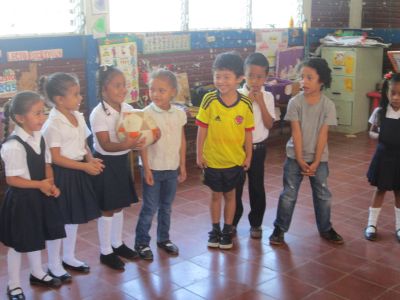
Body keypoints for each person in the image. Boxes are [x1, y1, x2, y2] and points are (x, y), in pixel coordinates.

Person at [269, 57, 344, 245]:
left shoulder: (328, 106)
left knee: (323, 194)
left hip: (319, 159)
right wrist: (301, 159)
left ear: (322, 81)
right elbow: (296, 133)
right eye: (302, 77)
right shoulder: (295, 103)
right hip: (295, 156)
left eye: (309, 77)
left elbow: (323, 136)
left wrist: (317, 161)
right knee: (289, 194)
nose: (304, 82)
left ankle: (326, 228)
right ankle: (279, 228)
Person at [0, 92, 65, 300]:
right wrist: (40, 185)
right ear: (20, 118)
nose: (42, 118)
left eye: (43, 113)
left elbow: (47, 164)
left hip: (40, 195)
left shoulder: (40, 136)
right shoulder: (13, 145)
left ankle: (37, 273)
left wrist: (50, 184)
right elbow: (12, 180)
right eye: (37, 114)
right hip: (23, 200)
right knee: (19, 243)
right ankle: (13, 284)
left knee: (35, 236)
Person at [40, 73, 103, 276]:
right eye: (75, 94)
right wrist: (85, 167)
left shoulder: (77, 115)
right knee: (59, 219)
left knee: (73, 217)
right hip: (63, 174)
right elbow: (56, 157)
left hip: (78, 171)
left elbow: (83, 144)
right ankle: (53, 263)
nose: (80, 98)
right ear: (59, 99)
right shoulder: (53, 124)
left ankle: (68, 256)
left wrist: (90, 158)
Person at [196, 52, 254, 250]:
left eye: (226, 77)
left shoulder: (246, 103)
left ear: (239, 79)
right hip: (212, 160)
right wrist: (199, 154)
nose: (220, 81)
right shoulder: (209, 100)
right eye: (217, 76)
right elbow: (202, 129)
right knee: (215, 195)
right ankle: (215, 230)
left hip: (234, 161)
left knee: (231, 196)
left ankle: (227, 230)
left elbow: (248, 133)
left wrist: (249, 156)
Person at [90, 66, 146, 270]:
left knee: (120, 204)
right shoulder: (98, 113)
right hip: (105, 162)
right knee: (107, 207)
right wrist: (129, 144)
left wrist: (141, 140)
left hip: (122, 161)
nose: (123, 89)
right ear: (104, 89)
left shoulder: (128, 108)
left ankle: (117, 243)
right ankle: (105, 251)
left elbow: (137, 132)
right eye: (117, 85)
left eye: (124, 85)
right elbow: (105, 144)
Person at [134, 69, 187, 260]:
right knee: (150, 207)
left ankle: (163, 239)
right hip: (153, 168)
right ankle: (141, 243)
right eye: (152, 89)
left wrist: (182, 165)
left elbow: (181, 139)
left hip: (171, 167)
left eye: (161, 90)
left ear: (173, 91)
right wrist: (146, 168)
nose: (155, 94)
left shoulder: (179, 113)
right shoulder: (145, 114)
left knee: (166, 206)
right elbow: (142, 144)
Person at [234, 52, 275, 239]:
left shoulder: (268, 97)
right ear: (244, 75)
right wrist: (249, 101)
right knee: (236, 186)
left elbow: (269, 124)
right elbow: (236, 122)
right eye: (250, 75)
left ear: (266, 77)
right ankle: (232, 222)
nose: (255, 81)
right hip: (238, 149)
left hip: (258, 149)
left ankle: (256, 223)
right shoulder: (238, 95)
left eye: (259, 77)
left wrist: (260, 102)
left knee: (257, 186)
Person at [364, 72, 400, 242]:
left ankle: (399, 226)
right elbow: (371, 131)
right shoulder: (380, 112)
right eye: (393, 93)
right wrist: (378, 135)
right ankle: (371, 225)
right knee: (380, 189)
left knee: (399, 192)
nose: (396, 97)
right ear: (387, 92)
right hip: (383, 155)